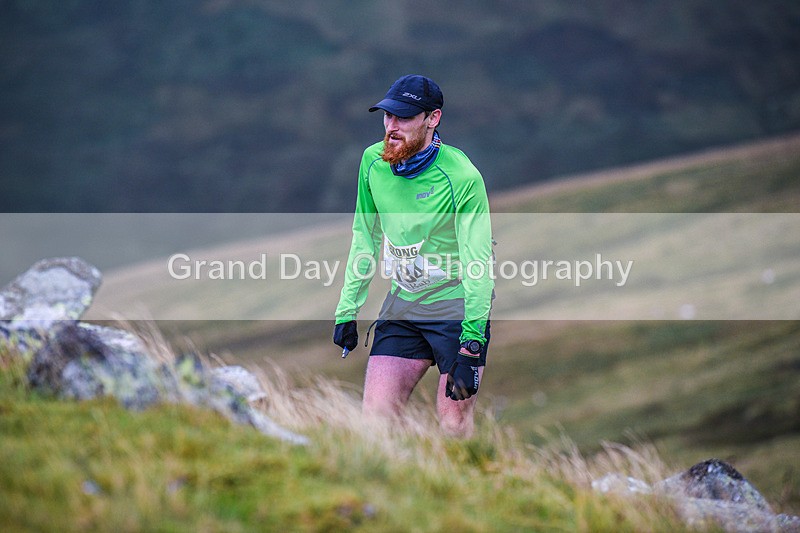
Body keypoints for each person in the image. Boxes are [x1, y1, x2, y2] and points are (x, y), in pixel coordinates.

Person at [333, 74, 494, 438]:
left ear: (432, 119)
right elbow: (365, 236)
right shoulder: (372, 162)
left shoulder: (462, 177)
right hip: (404, 307)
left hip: (456, 309)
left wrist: (471, 345)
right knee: (375, 423)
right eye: (387, 116)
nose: (392, 127)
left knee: (453, 426)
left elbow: (478, 263)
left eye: (404, 118)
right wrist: (347, 310)